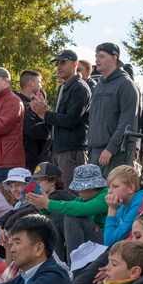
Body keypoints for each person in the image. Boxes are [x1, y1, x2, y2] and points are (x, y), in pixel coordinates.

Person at [29, 49, 91, 186]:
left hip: (72, 150)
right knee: (60, 193)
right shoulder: (63, 87)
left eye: (63, 62)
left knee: (72, 193)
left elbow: (71, 120)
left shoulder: (80, 87)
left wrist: (45, 114)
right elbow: (59, 118)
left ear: (75, 64)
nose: (59, 66)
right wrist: (43, 113)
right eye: (57, 63)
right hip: (59, 148)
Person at [88, 43, 140, 173]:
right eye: (96, 56)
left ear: (113, 58)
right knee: (95, 193)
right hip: (96, 151)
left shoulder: (126, 86)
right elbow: (93, 120)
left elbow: (127, 122)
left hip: (117, 153)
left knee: (115, 192)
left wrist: (110, 149)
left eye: (101, 56)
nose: (97, 60)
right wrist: (90, 149)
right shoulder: (98, 86)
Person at [101, 165, 143, 247]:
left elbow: (109, 242)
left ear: (131, 188)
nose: (110, 191)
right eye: (109, 187)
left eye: (115, 187)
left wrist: (112, 209)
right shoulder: (122, 206)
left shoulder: (140, 203)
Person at [16, 69, 50, 170]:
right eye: (39, 82)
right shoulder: (20, 104)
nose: (41, 86)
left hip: (37, 154)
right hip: (29, 156)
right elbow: (33, 131)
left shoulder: (33, 103)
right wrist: (47, 122)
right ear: (30, 83)